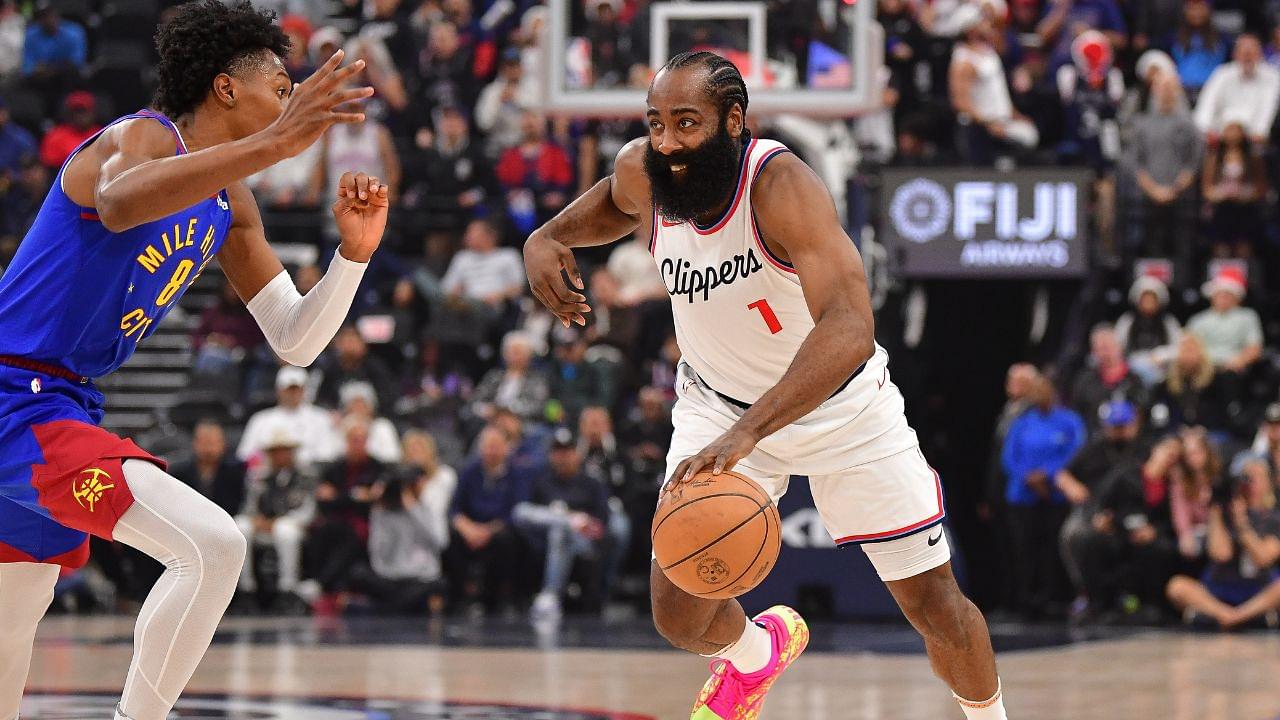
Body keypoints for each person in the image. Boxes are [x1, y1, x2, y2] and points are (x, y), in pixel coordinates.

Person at [524, 51, 1009, 720]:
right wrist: (548, 236)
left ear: (733, 120)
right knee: (678, 611)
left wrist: (750, 432)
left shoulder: (780, 187)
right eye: (656, 123)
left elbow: (849, 328)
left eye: (686, 123)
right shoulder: (649, 171)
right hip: (716, 403)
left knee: (936, 607)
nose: (667, 142)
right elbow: (614, 200)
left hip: (842, 410)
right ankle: (758, 654)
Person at [0, 4, 390, 719]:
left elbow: (294, 339)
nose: (290, 99)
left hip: (63, 401)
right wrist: (277, 143)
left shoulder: (228, 202)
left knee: (15, 605)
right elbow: (119, 204)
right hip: (14, 397)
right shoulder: (141, 135)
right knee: (211, 546)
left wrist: (353, 256)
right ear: (225, 87)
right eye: (280, 84)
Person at [1002, 375, 1087, 618]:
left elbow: (1076, 452)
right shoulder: (1022, 423)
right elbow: (1009, 457)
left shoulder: (1069, 421)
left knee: (1053, 549)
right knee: (1024, 549)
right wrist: (1028, 477)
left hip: (1056, 495)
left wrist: (1047, 475)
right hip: (1023, 495)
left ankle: (1054, 599)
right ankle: (1026, 600)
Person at [1166, 456, 1280, 629]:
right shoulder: (1221, 515)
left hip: (1257, 591)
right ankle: (1227, 615)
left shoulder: (1272, 519)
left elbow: (1263, 558)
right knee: (1177, 586)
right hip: (1219, 589)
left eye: (1257, 476)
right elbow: (1221, 554)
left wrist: (1242, 525)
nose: (1251, 483)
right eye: (1247, 477)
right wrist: (1217, 510)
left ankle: (1235, 617)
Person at [515, 428, 612, 619]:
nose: (563, 457)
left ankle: (551, 594)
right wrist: (570, 519)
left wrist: (584, 524)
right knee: (523, 513)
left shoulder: (591, 482)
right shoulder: (542, 480)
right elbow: (525, 513)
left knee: (560, 532)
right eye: (558, 452)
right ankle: (566, 521)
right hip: (543, 539)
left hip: (582, 541)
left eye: (567, 451)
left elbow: (602, 521)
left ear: (576, 453)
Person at [235, 427, 316, 605]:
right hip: (263, 524)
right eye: (276, 451)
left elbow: (308, 509)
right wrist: (255, 519)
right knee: (240, 526)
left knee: (284, 530)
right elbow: (249, 505)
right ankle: (246, 588)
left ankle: (287, 589)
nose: (281, 456)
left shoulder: (305, 475)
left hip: (292, 524)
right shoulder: (258, 476)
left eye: (284, 451)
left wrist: (282, 521)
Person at [238, 366, 338, 469]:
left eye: (296, 389)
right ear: (278, 390)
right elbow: (245, 455)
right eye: (288, 389)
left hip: (307, 476)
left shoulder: (321, 418)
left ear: (304, 390)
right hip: (268, 476)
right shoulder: (261, 419)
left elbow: (328, 455)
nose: (292, 394)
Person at [1185, 267, 1263, 373]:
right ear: (1212, 296)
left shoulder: (1247, 316)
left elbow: (1254, 348)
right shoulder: (1198, 319)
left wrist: (1240, 361)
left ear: (1237, 297)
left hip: (1234, 367)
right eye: (1220, 294)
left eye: (1228, 295)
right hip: (1202, 368)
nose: (1223, 298)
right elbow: (1188, 347)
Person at [169, 419, 248, 517]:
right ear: (194, 442)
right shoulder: (178, 472)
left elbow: (240, 505)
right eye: (204, 442)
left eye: (212, 442)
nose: (208, 448)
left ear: (223, 443)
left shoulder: (236, 472)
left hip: (227, 522)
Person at [1114, 275, 1182, 385]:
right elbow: (1117, 346)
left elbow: (1178, 347)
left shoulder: (1168, 322)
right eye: (1145, 299)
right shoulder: (1127, 321)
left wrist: (1162, 355)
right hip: (1131, 370)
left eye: (1152, 299)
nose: (1148, 303)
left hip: (1162, 371)